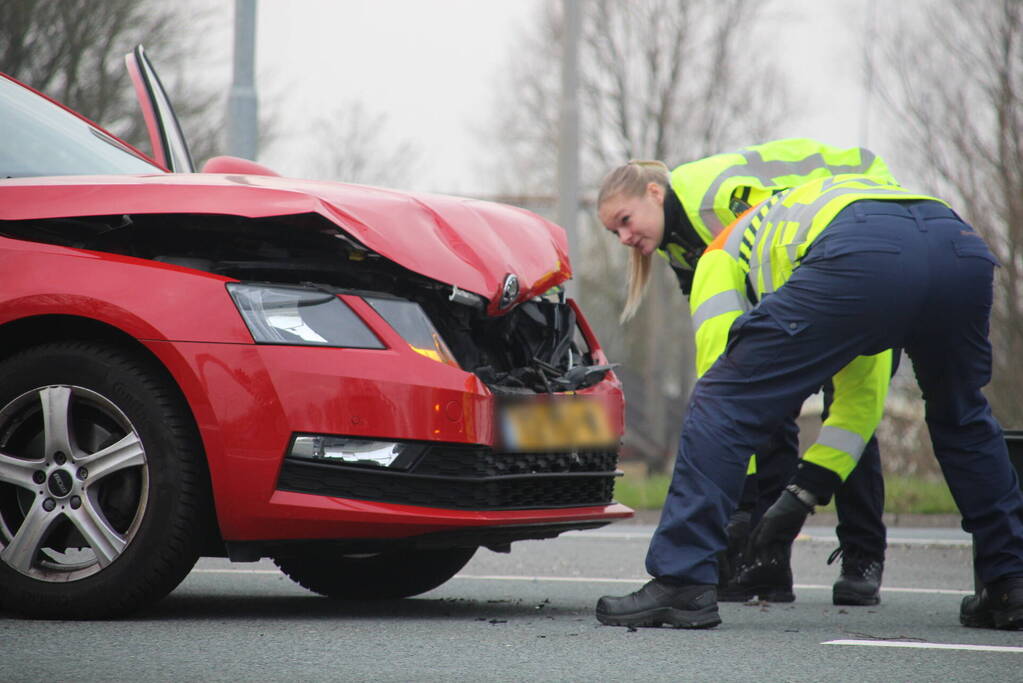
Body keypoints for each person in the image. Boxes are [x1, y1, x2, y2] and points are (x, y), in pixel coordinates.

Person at [593, 153, 1023, 630]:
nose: (627, 239)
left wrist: (741, 507)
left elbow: (724, 391)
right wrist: (800, 494)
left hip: (860, 248)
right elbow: (862, 400)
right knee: (962, 416)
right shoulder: (808, 242)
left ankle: (681, 582)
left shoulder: (717, 255)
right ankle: (1010, 583)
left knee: (719, 401)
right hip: (956, 243)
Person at [609, 140, 893, 606]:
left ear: (655, 193)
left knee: (850, 401)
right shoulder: (675, 243)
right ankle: (766, 562)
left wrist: (738, 496)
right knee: (765, 403)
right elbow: (726, 354)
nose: (623, 238)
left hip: (864, 225)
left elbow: (782, 252)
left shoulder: (714, 201)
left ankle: (863, 556)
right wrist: (743, 501)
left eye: (625, 220)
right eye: (612, 232)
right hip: (813, 263)